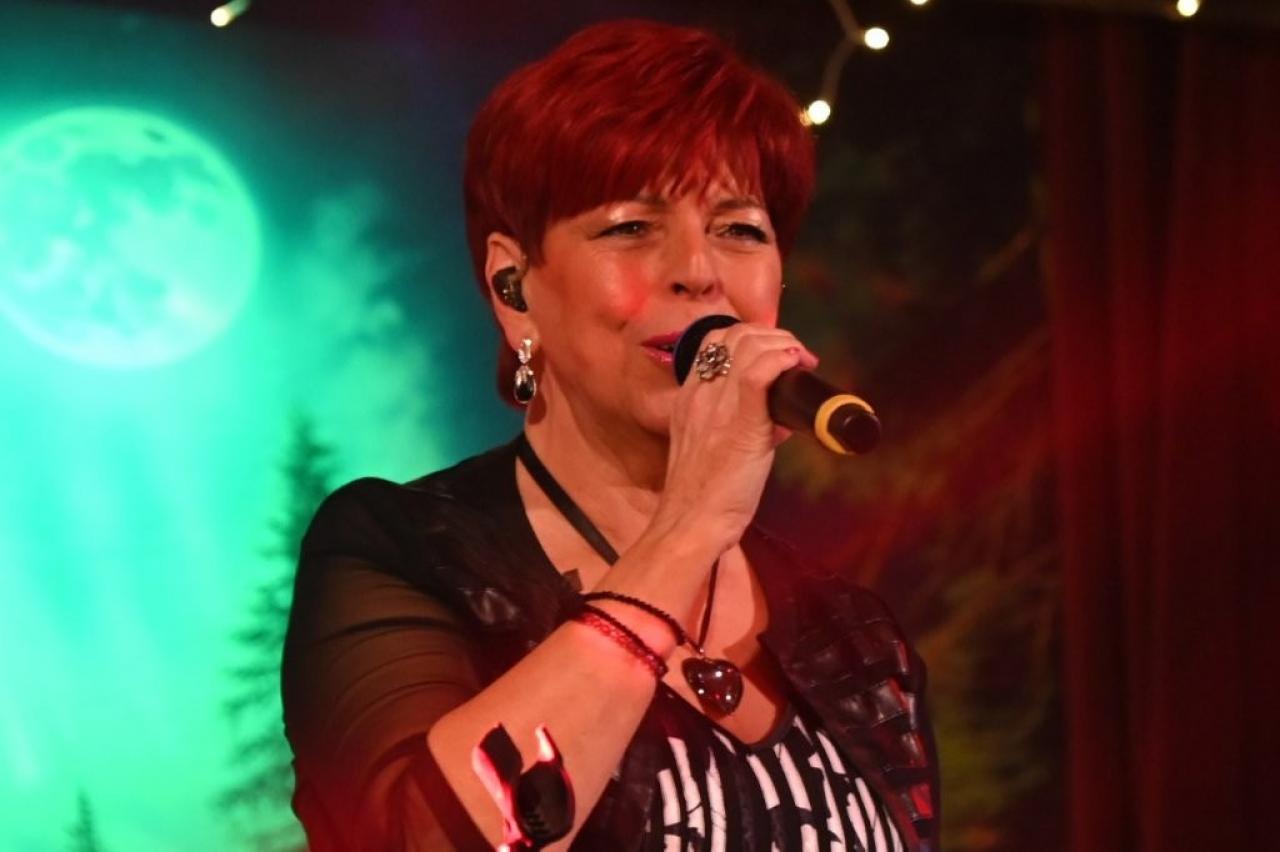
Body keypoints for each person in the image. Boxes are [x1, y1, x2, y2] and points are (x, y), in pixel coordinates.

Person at [282, 18, 939, 852]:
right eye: (631, 226)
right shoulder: (398, 550)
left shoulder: (855, 636)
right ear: (514, 288)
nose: (698, 271)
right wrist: (689, 529)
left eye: (740, 229)